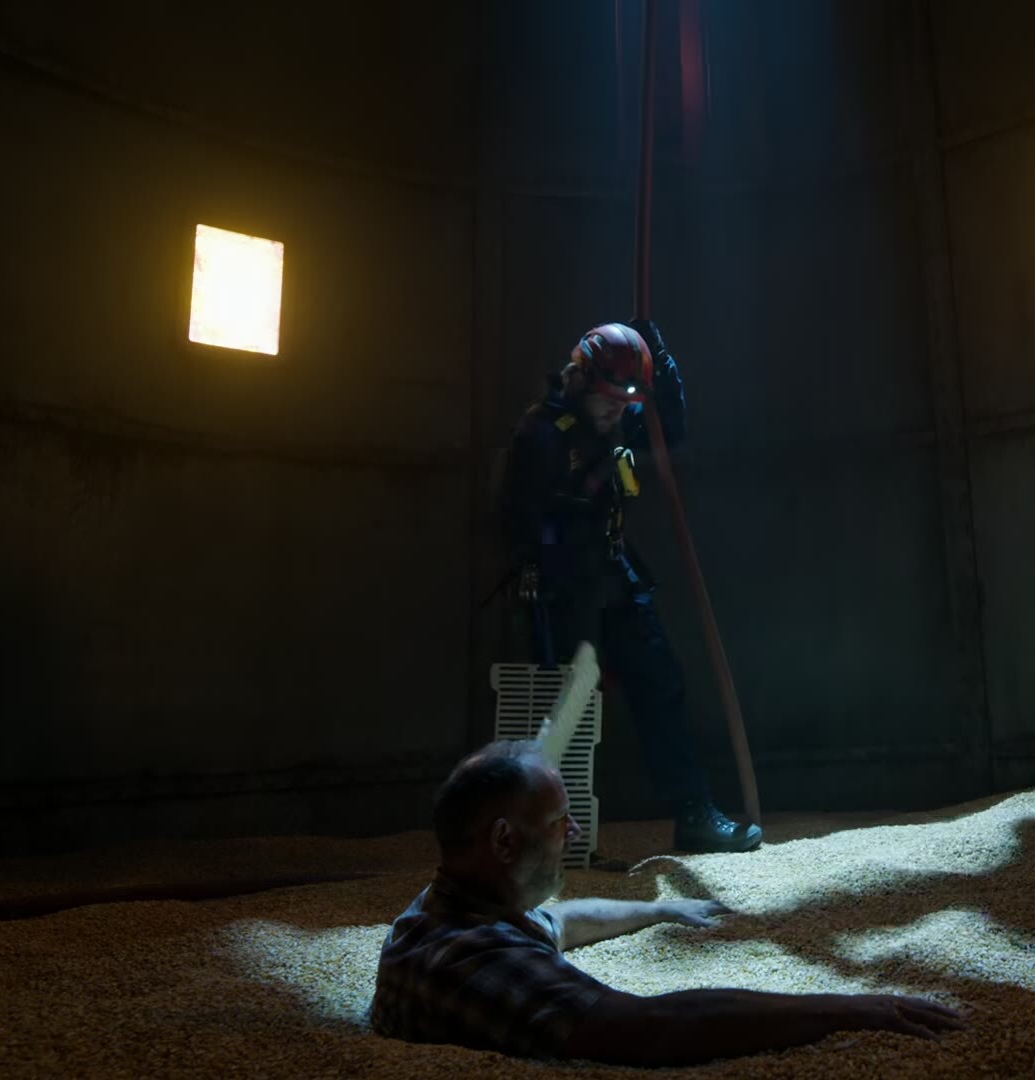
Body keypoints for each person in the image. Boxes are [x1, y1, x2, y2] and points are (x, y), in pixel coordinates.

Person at [369, 741, 969, 1063]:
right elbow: (653, 1028)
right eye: (557, 821)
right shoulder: (477, 961)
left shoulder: (440, 908)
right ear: (504, 842)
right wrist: (848, 1009)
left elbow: (561, 920)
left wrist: (660, 910)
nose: (573, 832)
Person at [501, 319, 759, 854]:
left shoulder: (617, 419)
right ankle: (536, 835)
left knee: (660, 685)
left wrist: (661, 359)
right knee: (565, 712)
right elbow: (516, 521)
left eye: (626, 402)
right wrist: (565, 524)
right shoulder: (541, 434)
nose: (618, 411)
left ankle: (693, 813)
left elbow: (671, 429)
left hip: (615, 581)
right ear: (580, 381)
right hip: (563, 595)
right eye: (609, 401)